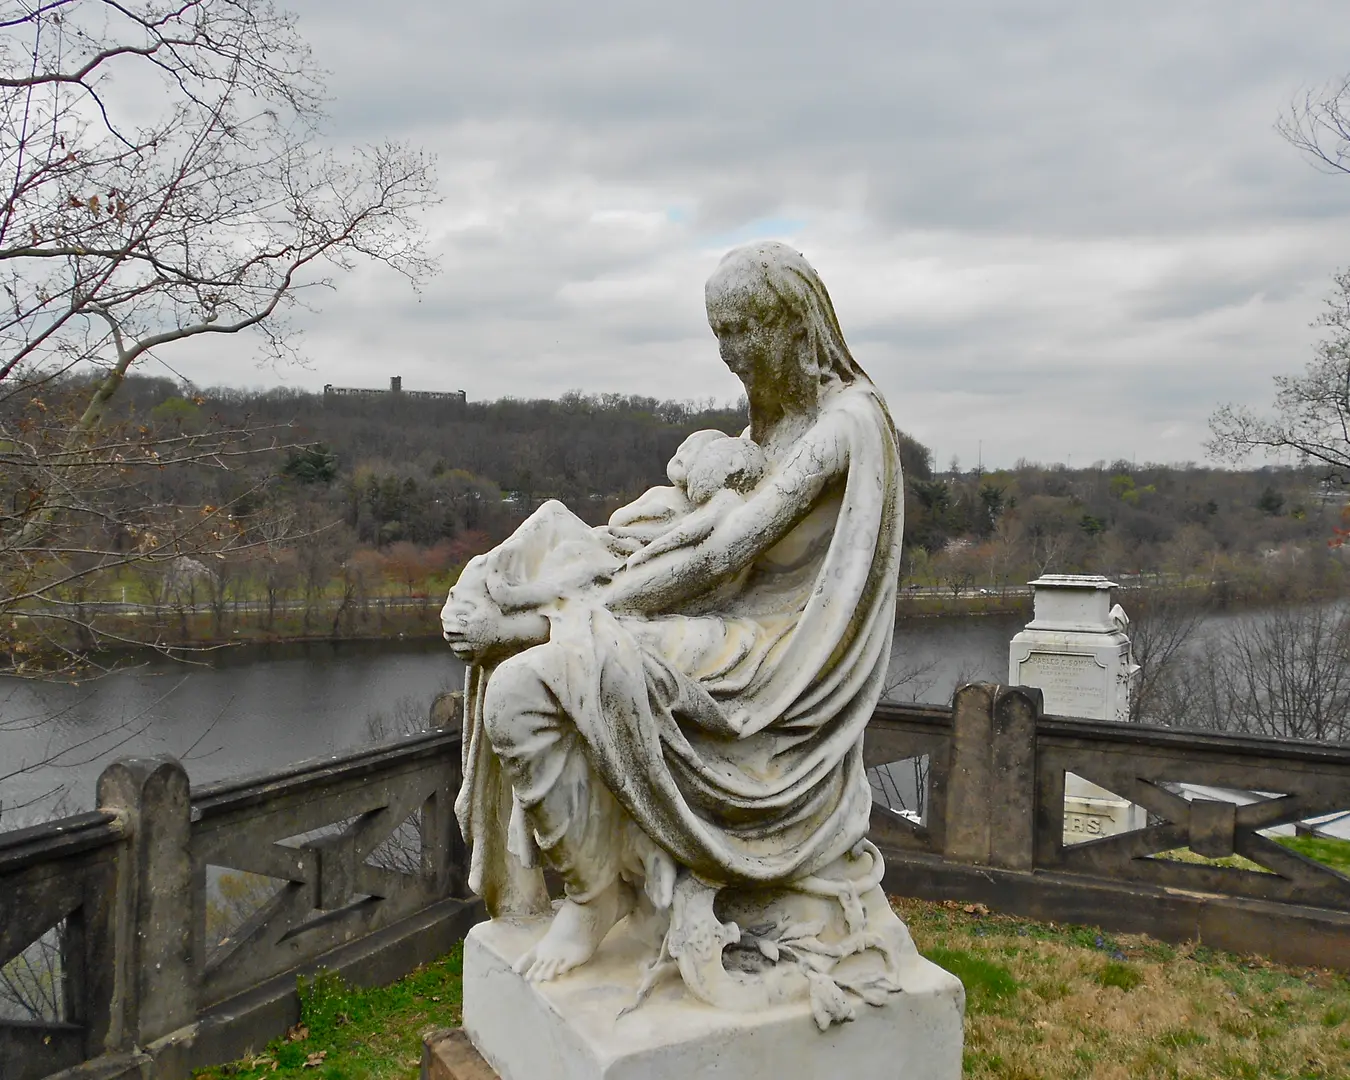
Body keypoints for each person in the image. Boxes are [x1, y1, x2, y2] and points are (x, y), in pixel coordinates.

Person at [441, 241, 905, 989]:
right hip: (721, 623)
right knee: (549, 589)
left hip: (776, 657)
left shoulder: (848, 424)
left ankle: (593, 901)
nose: (728, 353)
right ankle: (597, 890)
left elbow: (721, 556)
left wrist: (541, 623)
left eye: (742, 330)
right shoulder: (763, 433)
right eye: (716, 332)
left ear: (794, 324)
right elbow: (680, 533)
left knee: (525, 686)